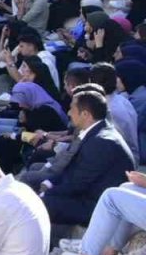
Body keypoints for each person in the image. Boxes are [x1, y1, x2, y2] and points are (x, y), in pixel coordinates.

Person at [41, 87, 135, 228]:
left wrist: (45, 194)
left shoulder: (102, 142)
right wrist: (48, 184)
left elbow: (78, 183)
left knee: (40, 205)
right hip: (90, 195)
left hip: (99, 206)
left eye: (72, 109)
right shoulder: (98, 132)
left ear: (85, 114)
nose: (68, 113)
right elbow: (74, 171)